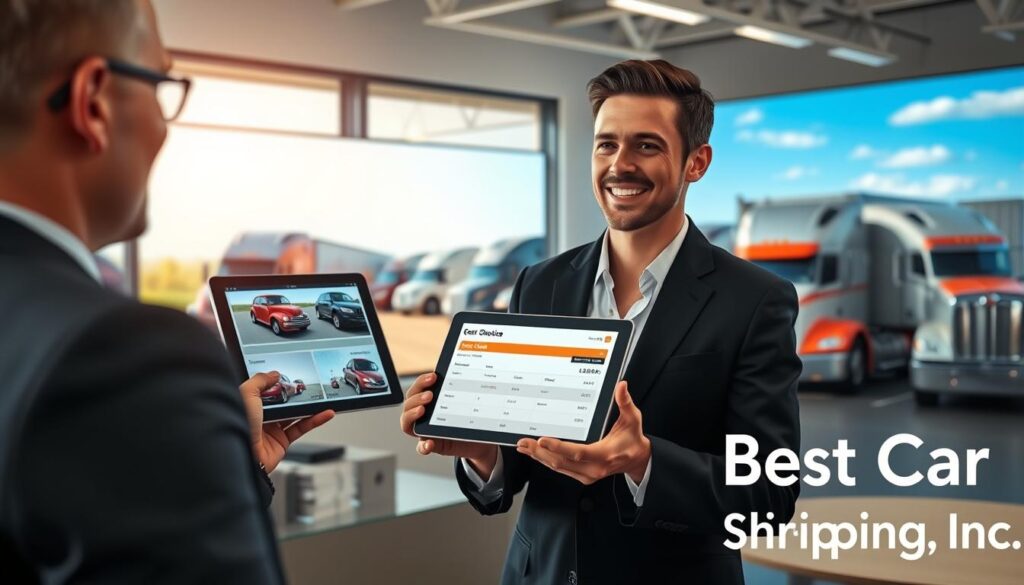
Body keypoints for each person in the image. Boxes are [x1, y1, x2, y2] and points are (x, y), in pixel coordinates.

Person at [401, 59, 802, 584]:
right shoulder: (539, 283)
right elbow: (515, 465)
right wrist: (481, 453)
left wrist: (642, 462)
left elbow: (770, 493)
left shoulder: (754, 300)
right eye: (606, 144)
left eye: (647, 145)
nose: (620, 164)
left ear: (696, 163)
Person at [0, 1, 332, 582]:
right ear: (94, 101)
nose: (162, 125)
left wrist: (231, 468)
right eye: (161, 86)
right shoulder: (130, 355)